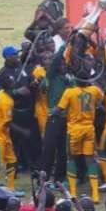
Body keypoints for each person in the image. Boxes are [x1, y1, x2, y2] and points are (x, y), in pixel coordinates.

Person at [54, 69, 104, 203]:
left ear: (75, 80)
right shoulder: (94, 90)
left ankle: (73, 193)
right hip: (89, 129)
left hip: (74, 130)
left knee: (71, 159)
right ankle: (95, 194)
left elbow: (59, 110)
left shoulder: (70, 92)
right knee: (90, 159)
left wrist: (54, 112)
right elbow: (101, 97)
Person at [0, 76, 22, 197]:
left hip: (4, 136)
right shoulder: (7, 101)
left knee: (12, 160)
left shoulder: (0, 93)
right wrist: (23, 131)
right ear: (9, 85)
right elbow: (8, 122)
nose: (14, 82)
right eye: (12, 81)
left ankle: (10, 189)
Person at [41, 44, 71, 183]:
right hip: (54, 118)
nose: (63, 67)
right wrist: (63, 48)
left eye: (65, 64)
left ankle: (60, 178)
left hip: (66, 119)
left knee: (63, 150)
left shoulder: (69, 80)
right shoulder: (51, 77)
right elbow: (54, 62)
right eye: (61, 64)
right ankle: (45, 177)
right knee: (49, 148)